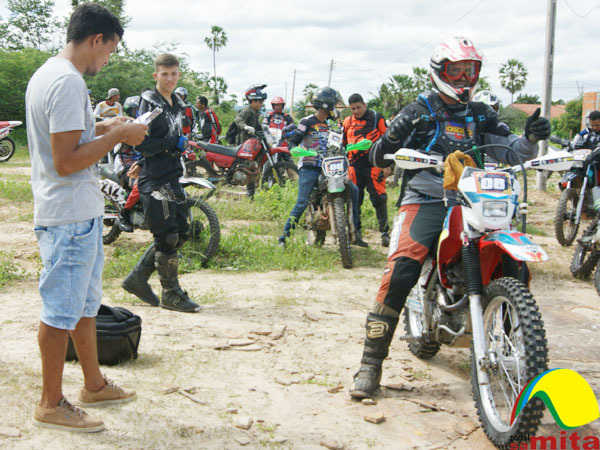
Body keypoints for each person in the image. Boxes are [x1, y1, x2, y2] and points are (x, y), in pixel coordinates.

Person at [350, 36, 551, 399]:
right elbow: (377, 158)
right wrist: (392, 140)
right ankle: (370, 364)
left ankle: (508, 345)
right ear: (440, 72)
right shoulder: (418, 110)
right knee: (401, 271)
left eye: (468, 71)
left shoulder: (483, 113)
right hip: (426, 196)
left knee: (514, 267)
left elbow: (510, 151)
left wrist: (530, 137)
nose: (462, 78)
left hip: (476, 196)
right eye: (455, 71)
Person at [25, 3, 146, 432]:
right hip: (68, 215)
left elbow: (72, 136)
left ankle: (93, 384)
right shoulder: (68, 82)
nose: (107, 60)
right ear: (97, 40)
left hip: (79, 213)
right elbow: (65, 159)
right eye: (110, 50)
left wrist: (108, 126)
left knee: (83, 305)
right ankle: (50, 403)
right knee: (61, 308)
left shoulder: (50, 75)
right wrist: (117, 135)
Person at [121, 53, 201, 314]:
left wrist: (182, 144)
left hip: (170, 174)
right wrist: (169, 144)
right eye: (164, 74)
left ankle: (137, 278)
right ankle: (171, 294)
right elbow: (140, 141)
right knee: (167, 236)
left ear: (179, 75)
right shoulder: (150, 102)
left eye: (174, 73)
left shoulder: (177, 102)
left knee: (182, 233)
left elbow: (171, 138)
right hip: (155, 179)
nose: (169, 78)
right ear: (156, 75)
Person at [278, 86, 361, 247]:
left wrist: (352, 146)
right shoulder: (307, 121)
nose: (336, 109)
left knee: (354, 191)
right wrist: (294, 149)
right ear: (326, 106)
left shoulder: (332, 126)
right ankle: (284, 237)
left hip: (330, 167)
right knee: (302, 202)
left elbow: (341, 144)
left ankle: (355, 230)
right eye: (334, 105)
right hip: (310, 167)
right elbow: (294, 140)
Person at [342, 93, 390, 248]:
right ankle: (356, 233)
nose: (356, 111)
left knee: (379, 198)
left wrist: (387, 164)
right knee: (355, 199)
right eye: (353, 108)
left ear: (364, 104)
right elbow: (342, 143)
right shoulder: (347, 122)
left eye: (358, 107)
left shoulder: (377, 118)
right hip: (354, 166)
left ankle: (384, 233)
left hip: (374, 165)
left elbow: (388, 140)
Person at [234, 84, 267, 196]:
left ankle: (251, 192)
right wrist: (245, 127)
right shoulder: (247, 111)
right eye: (259, 101)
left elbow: (258, 126)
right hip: (245, 143)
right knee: (248, 166)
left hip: (252, 143)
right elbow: (238, 120)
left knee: (252, 166)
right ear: (252, 101)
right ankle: (249, 192)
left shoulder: (255, 112)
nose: (261, 103)